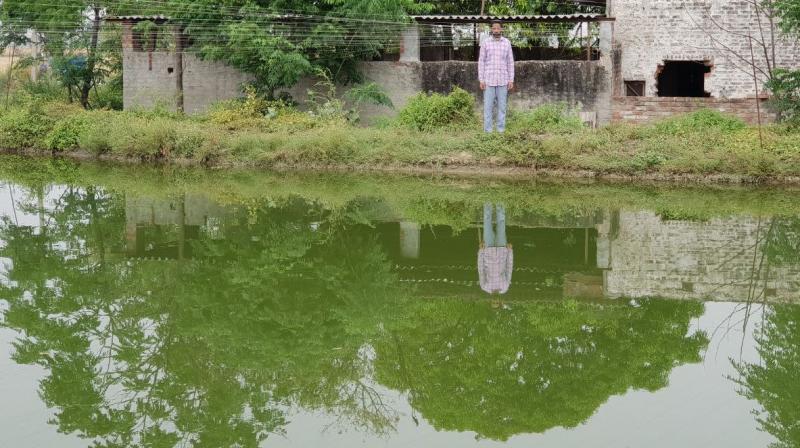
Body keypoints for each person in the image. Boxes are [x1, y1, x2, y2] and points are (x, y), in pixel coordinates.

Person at [478, 21, 515, 133]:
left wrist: (511, 79)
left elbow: (510, 62)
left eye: (498, 28)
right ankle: (488, 133)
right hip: (488, 81)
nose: (496, 30)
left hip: (503, 81)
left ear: (501, 29)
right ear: (491, 29)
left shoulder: (507, 43)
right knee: (488, 108)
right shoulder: (485, 43)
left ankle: (500, 131)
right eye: (494, 28)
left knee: (502, 108)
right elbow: (481, 61)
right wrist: (481, 79)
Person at [478, 203, 513, 300]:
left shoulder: (484, 287)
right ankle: (500, 202)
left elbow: (481, 269)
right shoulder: (505, 287)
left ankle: (487, 201)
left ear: (490, 302)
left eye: (493, 303)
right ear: (500, 302)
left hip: (487, 249)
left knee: (487, 224)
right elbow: (509, 268)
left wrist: (481, 251)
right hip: (502, 249)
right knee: (501, 223)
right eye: (497, 303)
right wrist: (510, 252)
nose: (495, 301)